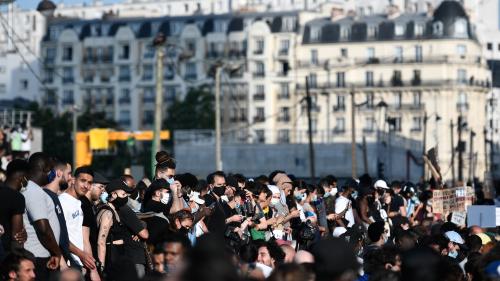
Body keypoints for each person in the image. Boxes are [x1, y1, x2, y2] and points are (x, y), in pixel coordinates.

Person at [96, 179, 148, 280]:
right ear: (114, 194)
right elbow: (101, 242)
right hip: (111, 258)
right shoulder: (108, 213)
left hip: (118, 257)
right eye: (123, 194)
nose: (126, 197)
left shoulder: (116, 211)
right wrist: (101, 269)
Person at [22, 152, 62, 281]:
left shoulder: (32, 189)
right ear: (45, 168)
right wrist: (57, 252)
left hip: (41, 255)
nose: (53, 173)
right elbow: (43, 228)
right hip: (38, 258)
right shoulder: (32, 190)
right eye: (51, 169)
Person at [43, 159, 76, 269]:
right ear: (59, 173)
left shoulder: (54, 196)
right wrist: (61, 259)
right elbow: (48, 231)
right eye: (69, 173)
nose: (71, 178)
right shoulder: (46, 197)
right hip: (55, 261)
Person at [0, 159, 29, 260]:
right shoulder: (17, 197)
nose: (27, 183)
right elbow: (17, 235)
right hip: (5, 253)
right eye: (27, 179)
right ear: (21, 178)